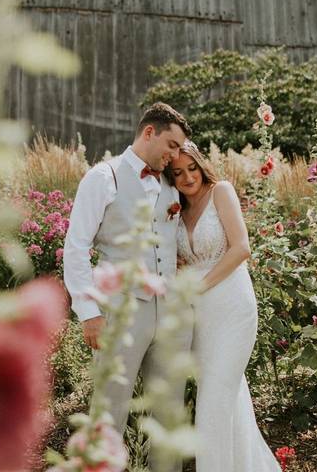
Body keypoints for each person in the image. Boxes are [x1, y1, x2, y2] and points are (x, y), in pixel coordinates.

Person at [62, 102, 193, 472]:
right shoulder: (104, 177)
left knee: (168, 410)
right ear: (148, 132)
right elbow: (76, 247)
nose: (174, 154)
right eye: (170, 145)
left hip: (168, 313)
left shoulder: (171, 181)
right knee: (111, 408)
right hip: (120, 311)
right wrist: (89, 313)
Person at [165, 140, 280, 472]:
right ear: (171, 178)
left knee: (212, 401)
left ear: (201, 165)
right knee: (232, 398)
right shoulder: (177, 211)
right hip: (200, 316)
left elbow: (241, 248)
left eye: (192, 168)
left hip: (232, 306)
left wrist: (199, 285)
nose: (188, 177)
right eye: (178, 173)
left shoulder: (221, 192)